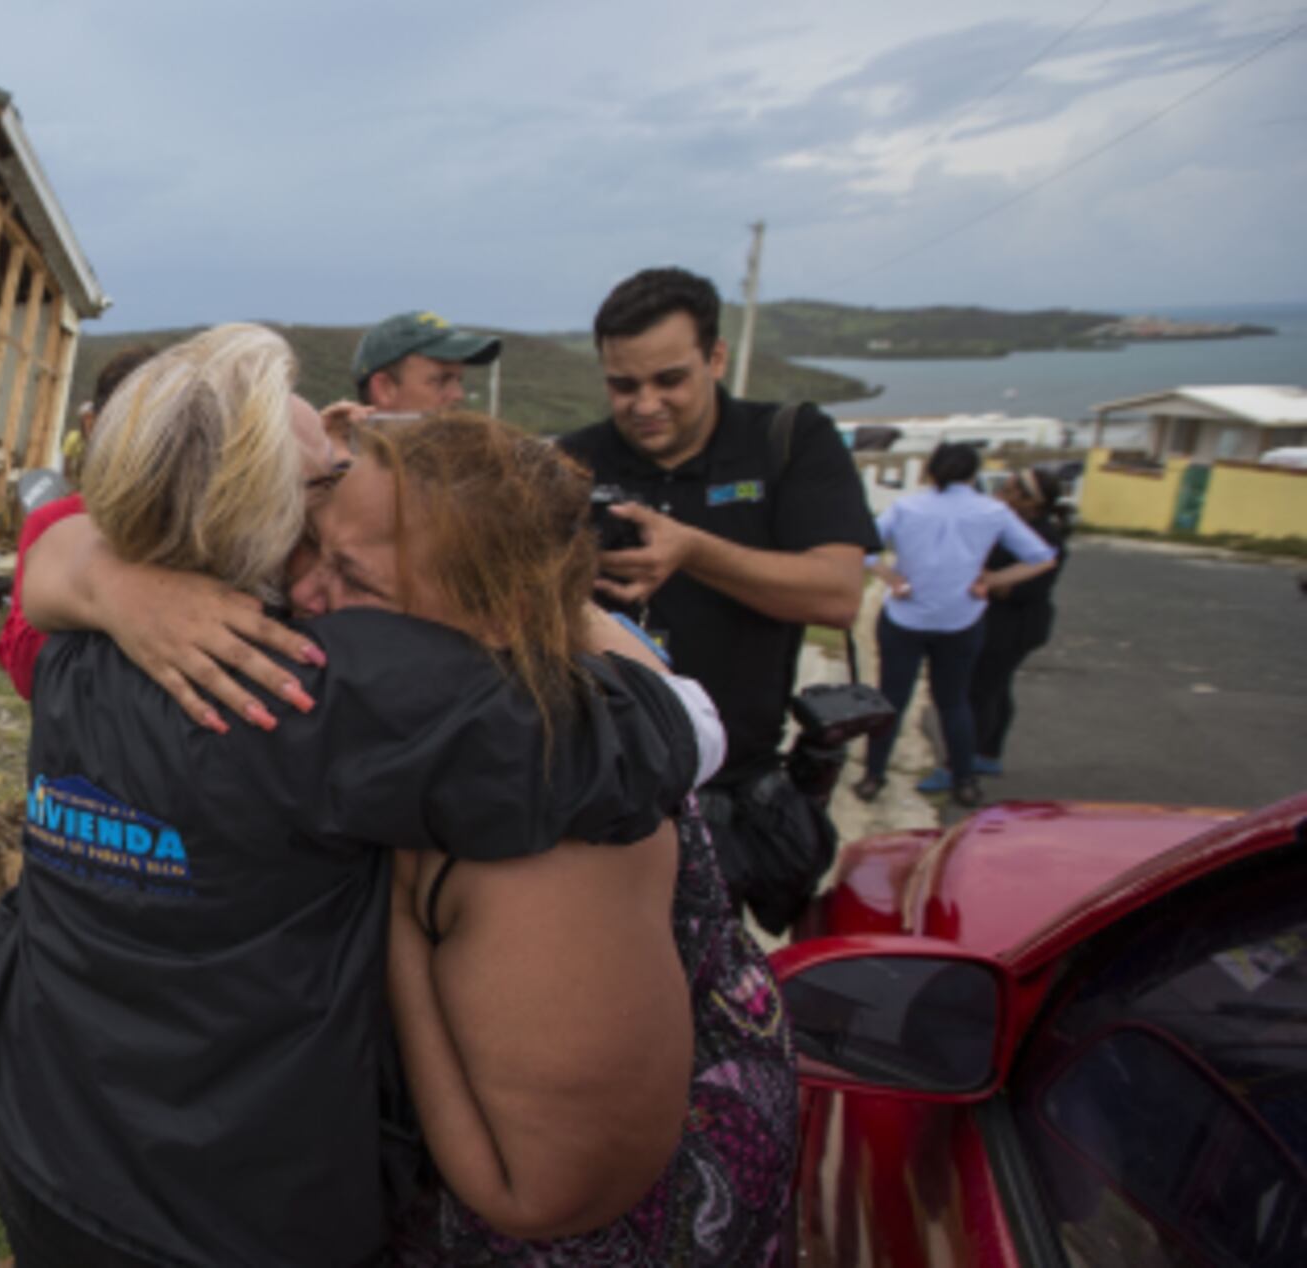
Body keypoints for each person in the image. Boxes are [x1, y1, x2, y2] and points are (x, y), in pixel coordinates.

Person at [0, 324, 750, 1266]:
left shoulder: (81, 642)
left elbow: (59, 551)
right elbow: (683, 727)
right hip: (223, 1218)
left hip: (50, 1139)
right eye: (326, 481)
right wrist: (550, 591)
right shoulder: (323, 687)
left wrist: (102, 578)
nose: (344, 464)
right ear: (261, 523)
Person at [300, 417, 798, 1266]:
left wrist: (399, 930)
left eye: (356, 580)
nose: (304, 593)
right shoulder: (503, 684)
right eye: (310, 545)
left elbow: (550, 1192)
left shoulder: (550, 828)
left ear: (503, 616)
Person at [556, 266, 879, 935]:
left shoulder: (787, 441)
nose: (645, 403)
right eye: (623, 385)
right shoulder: (573, 462)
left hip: (738, 785)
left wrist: (693, 553)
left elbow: (839, 594)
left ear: (717, 358)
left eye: (669, 379)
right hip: (612, 790)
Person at [856, 445, 1056, 807]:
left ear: (930, 472)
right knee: (954, 702)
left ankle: (873, 776)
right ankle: (964, 781)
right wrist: (991, 581)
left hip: (905, 615)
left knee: (891, 700)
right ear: (972, 474)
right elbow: (1041, 557)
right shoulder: (992, 511)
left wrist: (890, 577)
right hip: (961, 618)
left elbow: (861, 545)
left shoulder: (907, 506)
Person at [0, 344, 158, 700]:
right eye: (133, 422)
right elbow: (24, 672)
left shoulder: (191, 531)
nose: (149, 444)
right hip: (71, 736)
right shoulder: (53, 523)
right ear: (92, 424)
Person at [956, 467, 1071, 785]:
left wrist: (987, 580)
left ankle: (968, 760)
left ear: (1029, 501)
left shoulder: (1045, 537)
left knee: (982, 689)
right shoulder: (1009, 525)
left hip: (1016, 624)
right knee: (996, 687)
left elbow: (1023, 587)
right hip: (998, 618)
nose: (1000, 496)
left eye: (1007, 491)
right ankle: (988, 753)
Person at [352, 310, 502, 413]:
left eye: (459, 380)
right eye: (440, 381)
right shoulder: (341, 458)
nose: (458, 395)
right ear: (384, 389)